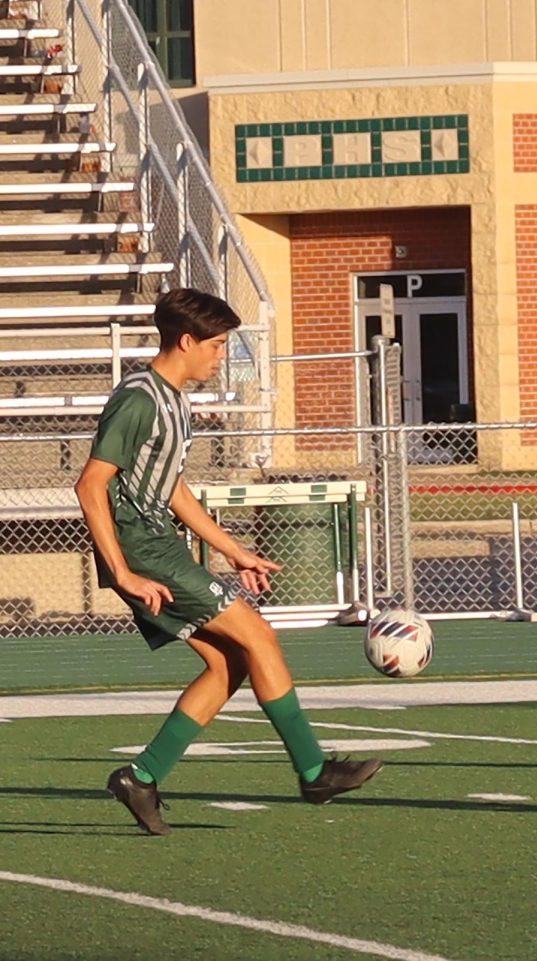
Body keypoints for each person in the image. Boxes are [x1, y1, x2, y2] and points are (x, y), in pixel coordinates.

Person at [75, 288, 382, 836]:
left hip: (159, 545)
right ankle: (314, 772)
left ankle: (141, 778)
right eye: (217, 346)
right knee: (260, 637)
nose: (222, 357)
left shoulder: (174, 400)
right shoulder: (140, 398)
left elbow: (173, 489)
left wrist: (233, 549)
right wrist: (122, 571)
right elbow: (90, 483)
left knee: (230, 663)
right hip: (144, 551)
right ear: (186, 340)